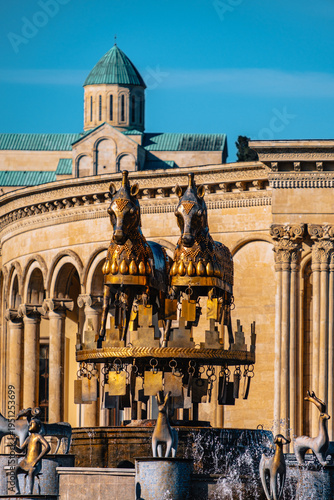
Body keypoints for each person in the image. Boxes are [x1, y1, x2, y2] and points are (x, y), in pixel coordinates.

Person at [13, 418, 50, 495]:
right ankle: (17, 491)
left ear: (38, 425)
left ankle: (30, 492)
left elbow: (47, 447)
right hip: (26, 462)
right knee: (14, 470)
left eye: (32, 423)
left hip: (35, 464)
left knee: (31, 471)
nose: (30, 425)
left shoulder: (38, 437)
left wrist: (37, 460)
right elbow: (20, 449)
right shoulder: (29, 438)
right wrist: (15, 446)